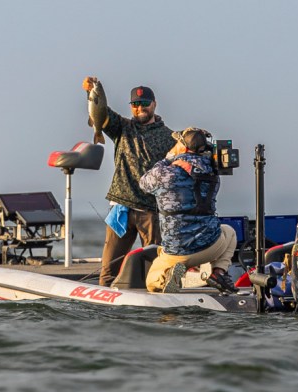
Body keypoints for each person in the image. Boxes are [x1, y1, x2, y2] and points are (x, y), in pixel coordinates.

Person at [82, 77, 176, 287]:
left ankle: (154, 301)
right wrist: (90, 91)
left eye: (144, 103)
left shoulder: (170, 137)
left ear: (154, 104)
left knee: (154, 268)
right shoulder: (122, 127)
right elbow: (100, 111)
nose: (140, 108)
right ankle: (104, 302)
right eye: (135, 104)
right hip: (121, 209)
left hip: (151, 211)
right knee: (108, 269)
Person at [139, 127, 238, 293]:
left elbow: (143, 183)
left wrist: (168, 158)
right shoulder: (213, 172)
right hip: (210, 245)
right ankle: (219, 272)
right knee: (229, 231)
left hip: (177, 250)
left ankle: (166, 278)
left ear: (183, 147)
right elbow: (198, 166)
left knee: (151, 282)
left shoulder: (165, 173)